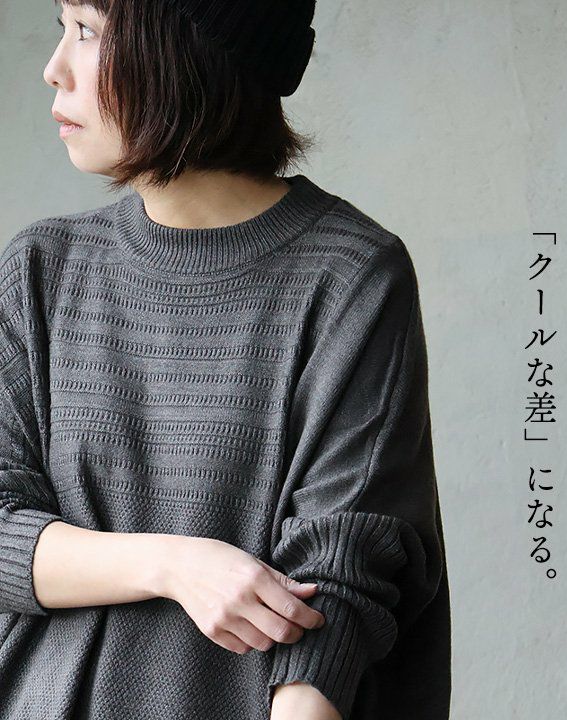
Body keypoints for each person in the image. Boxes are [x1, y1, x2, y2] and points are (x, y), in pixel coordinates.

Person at [0, 1, 451, 718]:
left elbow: (341, 577)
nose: (54, 69)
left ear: (187, 48)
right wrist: (175, 564)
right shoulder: (42, 268)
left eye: (87, 30)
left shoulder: (350, 275)